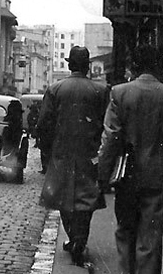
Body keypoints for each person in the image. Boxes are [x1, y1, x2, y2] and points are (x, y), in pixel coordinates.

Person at [36, 46, 108, 268]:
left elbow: (44, 123)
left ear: (69, 65)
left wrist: (47, 151)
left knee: (63, 197)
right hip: (90, 153)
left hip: (62, 153)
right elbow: (107, 122)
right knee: (86, 198)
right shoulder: (101, 90)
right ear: (87, 66)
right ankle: (80, 239)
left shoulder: (56, 89)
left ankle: (74, 237)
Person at [97, 43, 163, 274]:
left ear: (134, 65)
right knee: (151, 238)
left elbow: (111, 138)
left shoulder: (120, 93)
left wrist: (102, 176)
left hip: (128, 175)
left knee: (125, 232)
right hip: (157, 177)